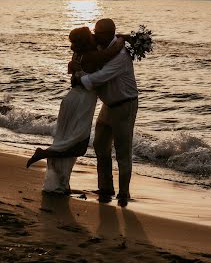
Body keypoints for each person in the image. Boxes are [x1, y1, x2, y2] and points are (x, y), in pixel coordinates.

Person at [26, 26, 124, 195]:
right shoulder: (92, 56)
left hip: (71, 99)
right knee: (78, 144)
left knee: (64, 139)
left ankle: (60, 184)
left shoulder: (78, 55)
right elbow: (112, 52)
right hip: (82, 102)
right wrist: (123, 39)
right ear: (88, 39)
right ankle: (44, 153)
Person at [72, 18, 138, 207]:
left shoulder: (122, 55)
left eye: (98, 33)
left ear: (109, 33)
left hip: (125, 105)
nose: (94, 35)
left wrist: (80, 77)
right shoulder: (103, 49)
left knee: (123, 151)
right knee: (100, 145)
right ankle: (106, 188)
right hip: (108, 105)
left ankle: (123, 193)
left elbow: (102, 76)